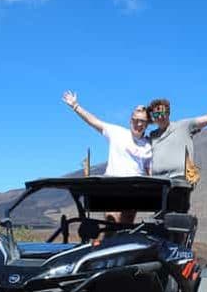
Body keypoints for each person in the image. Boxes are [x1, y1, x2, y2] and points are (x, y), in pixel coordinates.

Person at [62, 91, 151, 224]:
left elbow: (150, 171)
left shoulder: (149, 145)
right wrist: (76, 106)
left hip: (133, 190)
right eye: (136, 120)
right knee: (111, 224)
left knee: (125, 227)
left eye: (142, 121)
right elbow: (94, 122)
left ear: (147, 124)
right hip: (112, 187)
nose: (138, 124)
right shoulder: (117, 133)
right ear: (130, 120)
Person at [147, 80, 207, 182]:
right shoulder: (152, 136)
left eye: (162, 112)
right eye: (156, 114)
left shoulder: (184, 126)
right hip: (157, 181)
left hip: (180, 180)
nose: (160, 117)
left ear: (168, 113)